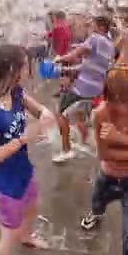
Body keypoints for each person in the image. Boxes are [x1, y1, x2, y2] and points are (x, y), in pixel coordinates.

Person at [0, 44, 54, 255]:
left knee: (33, 204)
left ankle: (26, 235)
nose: (29, 71)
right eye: (26, 67)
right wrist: (22, 139)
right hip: (5, 181)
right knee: (8, 235)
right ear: (12, 70)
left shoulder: (16, 93)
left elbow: (39, 110)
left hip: (23, 169)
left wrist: (45, 116)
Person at [79, 66, 128, 255]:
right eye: (125, 102)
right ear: (110, 99)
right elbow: (105, 154)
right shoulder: (101, 114)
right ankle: (96, 214)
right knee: (97, 204)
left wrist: (120, 138)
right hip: (109, 175)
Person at [53, 16, 115, 163]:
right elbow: (88, 66)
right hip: (97, 88)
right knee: (80, 112)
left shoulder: (95, 38)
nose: (90, 26)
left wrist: (59, 59)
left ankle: (66, 150)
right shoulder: (110, 45)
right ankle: (85, 140)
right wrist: (67, 68)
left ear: (100, 27)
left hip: (84, 88)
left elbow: (75, 54)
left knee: (61, 114)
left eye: (92, 24)